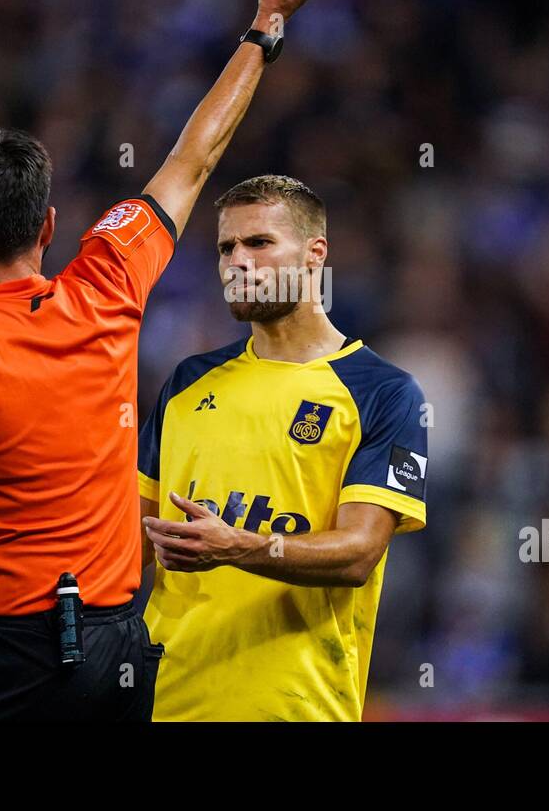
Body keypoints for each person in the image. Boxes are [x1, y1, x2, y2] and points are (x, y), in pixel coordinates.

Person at [0, 0, 328, 721]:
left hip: (13, 656)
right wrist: (267, 22)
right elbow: (194, 158)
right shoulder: (109, 281)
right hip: (120, 654)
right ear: (51, 224)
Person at [138, 175, 429, 721]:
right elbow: (129, 543)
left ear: (315, 253)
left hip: (296, 707)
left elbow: (359, 553)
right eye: (226, 247)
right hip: (166, 702)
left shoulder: (382, 393)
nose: (236, 262)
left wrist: (237, 548)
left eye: (259, 243)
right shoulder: (187, 383)